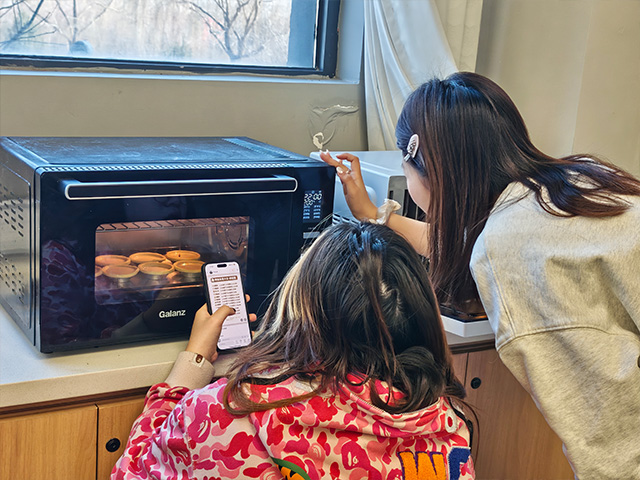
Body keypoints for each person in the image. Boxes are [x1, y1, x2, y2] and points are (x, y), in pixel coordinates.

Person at [320, 71, 640, 480]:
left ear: (427, 166)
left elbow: (605, 430)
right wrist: (373, 215)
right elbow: (464, 242)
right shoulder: (570, 183)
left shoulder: (510, 247)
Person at [111, 222, 475, 480]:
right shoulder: (449, 425)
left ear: (301, 311)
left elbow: (133, 471)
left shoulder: (229, 413)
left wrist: (192, 365)